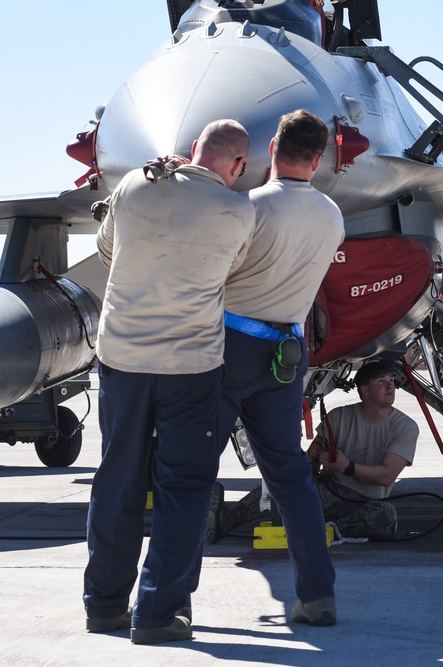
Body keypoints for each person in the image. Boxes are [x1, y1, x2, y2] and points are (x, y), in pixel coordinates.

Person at [83, 120, 256, 644]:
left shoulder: (135, 184)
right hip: (190, 368)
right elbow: (233, 270)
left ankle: (104, 606)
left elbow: (106, 249)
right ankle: (158, 614)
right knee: (182, 489)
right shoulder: (238, 211)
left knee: (117, 480)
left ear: (190, 152)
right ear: (239, 165)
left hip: (122, 362)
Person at [213, 109, 344, 626]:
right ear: (319, 161)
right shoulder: (333, 216)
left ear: (272, 149)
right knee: (290, 478)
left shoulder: (247, 208)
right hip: (286, 358)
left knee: (193, 472)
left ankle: (168, 599)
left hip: (229, 348)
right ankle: (318, 597)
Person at [209, 359, 418, 541]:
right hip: (329, 490)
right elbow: (309, 463)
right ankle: (226, 520)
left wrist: (347, 466)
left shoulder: (404, 426)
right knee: (284, 483)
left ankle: (323, 529)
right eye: (381, 382)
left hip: (364, 501)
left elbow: (387, 476)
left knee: (385, 516)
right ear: (365, 390)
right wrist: (312, 457)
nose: (391, 387)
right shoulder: (338, 417)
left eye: (391, 381)